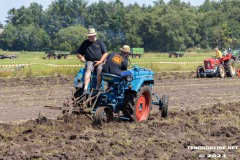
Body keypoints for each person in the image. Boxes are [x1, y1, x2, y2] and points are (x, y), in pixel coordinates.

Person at [77, 28, 108, 94]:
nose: (90, 37)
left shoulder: (100, 42)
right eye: (89, 36)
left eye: (92, 36)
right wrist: (81, 58)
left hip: (99, 61)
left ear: (95, 35)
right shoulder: (85, 43)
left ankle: (97, 87)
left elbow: (105, 53)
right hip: (90, 61)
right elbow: (79, 54)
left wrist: (100, 61)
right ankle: (85, 88)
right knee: (88, 69)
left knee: (100, 69)